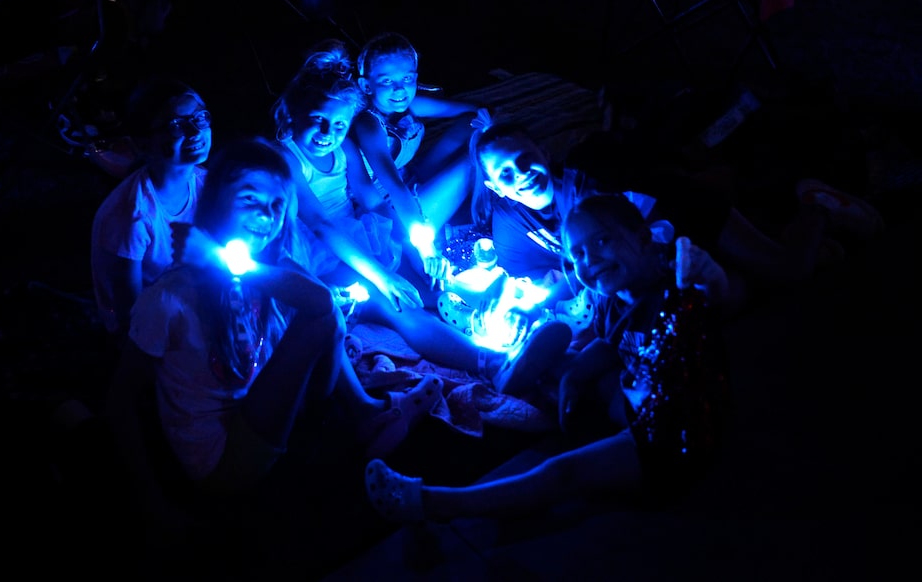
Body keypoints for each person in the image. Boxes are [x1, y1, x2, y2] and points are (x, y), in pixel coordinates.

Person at [365, 194, 731, 521]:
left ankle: (433, 504)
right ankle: (532, 374)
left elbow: (720, 299)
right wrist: (575, 377)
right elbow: (607, 345)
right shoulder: (614, 301)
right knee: (573, 364)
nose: (593, 260)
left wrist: (709, 277)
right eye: (580, 255)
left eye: (603, 241)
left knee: (560, 475)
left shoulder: (677, 289)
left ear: (641, 236)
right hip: (636, 402)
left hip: (675, 439)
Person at [114, 138, 445, 494]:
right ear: (213, 203)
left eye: (276, 205)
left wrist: (222, 261)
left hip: (263, 410)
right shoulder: (171, 295)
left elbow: (320, 300)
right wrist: (154, 508)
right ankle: (339, 427)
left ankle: (339, 422)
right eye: (249, 200)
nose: (264, 215)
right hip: (222, 455)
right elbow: (121, 401)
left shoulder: (266, 266)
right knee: (321, 316)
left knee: (327, 313)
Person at [276, 48, 571, 394]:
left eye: (340, 124)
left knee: (427, 287)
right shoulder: (285, 154)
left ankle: (515, 332)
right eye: (318, 119)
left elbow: (372, 201)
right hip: (316, 253)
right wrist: (383, 275)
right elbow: (320, 224)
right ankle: (492, 366)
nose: (329, 132)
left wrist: (417, 244)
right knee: (394, 302)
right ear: (295, 113)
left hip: (356, 234)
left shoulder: (345, 150)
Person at [470, 123, 881, 306]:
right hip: (664, 257)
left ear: (543, 152)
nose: (522, 175)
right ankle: (808, 240)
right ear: (494, 187)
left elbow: (659, 224)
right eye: (505, 173)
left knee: (787, 272)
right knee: (751, 286)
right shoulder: (511, 222)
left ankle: (817, 205)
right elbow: (530, 278)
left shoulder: (590, 187)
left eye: (526, 159)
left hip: (687, 213)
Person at [91, 82, 212, 340]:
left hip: (185, 290)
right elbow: (130, 312)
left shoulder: (205, 183)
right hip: (149, 315)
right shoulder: (132, 215)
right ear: (144, 144)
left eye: (200, 118)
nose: (195, 131)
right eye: (177, 125)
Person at [350, 33, 488, 239]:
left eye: (407, 78)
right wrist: (422, 243)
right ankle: (486, 212)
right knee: (475, 158)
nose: (399, 89)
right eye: (387, 81)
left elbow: (471, 112)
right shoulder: (368, 124)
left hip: (410, 178)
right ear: (367, 86)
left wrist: (490, 125)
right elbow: (394, 187)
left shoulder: (408, 105)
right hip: (390, 208)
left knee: (471, 125)